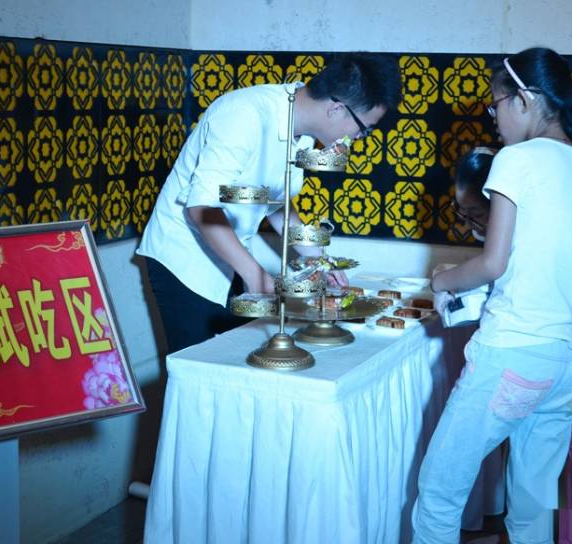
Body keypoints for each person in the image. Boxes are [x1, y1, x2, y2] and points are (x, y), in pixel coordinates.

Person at [412, 47, 572, 544]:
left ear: (524, 100)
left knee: (440, 492)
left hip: (512, 353)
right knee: (532, 503)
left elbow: (492, 263)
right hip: (567, 360)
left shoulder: (515, 159)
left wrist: (440, 281)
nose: (494, 117)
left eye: (495, 105)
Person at [136, 54, 402, 354]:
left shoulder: (302, 129)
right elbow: (201, 206)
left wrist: (317, 259)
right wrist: (254, 273)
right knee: (199, 363)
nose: (359, 137)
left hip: (232, 255)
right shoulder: (244, 115)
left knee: (240, 359)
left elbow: (277, 203)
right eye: (364, 128)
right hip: (184, 259)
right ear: (336, 109)